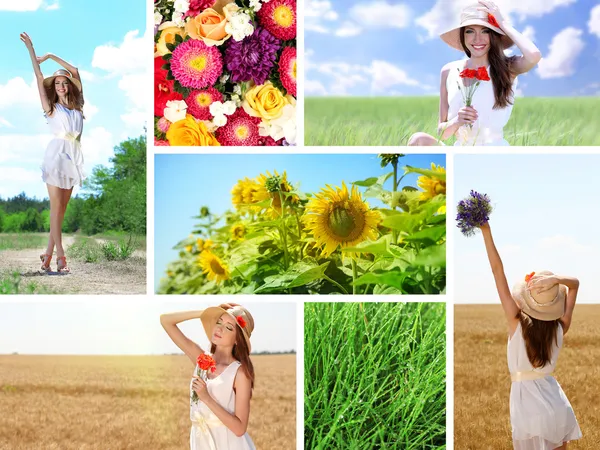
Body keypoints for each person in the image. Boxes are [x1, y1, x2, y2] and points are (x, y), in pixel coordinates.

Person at [479, 222, 582, 449]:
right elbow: (574, 284)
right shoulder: (560, 327)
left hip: (527, 410)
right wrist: (555, 281)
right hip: (556, 404)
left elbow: (498, 271)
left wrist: (485, 230)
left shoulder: (516, 322)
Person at [408, 1, 541, 146]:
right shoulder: (449, 71)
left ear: (494, 36)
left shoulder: (507, 68)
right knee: (418, 140)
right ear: (462, 36)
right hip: (460, 149)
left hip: (492, 150)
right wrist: (457, 121)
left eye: (486, 31)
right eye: (470, 31)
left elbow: (534, 55)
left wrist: (503, 24)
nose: (478, 39)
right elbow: (442, 133)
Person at [20, 32, 86, 273]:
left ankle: (47, 256)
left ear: (69, 86)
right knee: (55, 208)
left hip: (74, 155)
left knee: (62, 211)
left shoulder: (78, 106)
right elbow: (39, 77)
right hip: (56, 155)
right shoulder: (51, 108)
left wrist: (50, 56)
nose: (60, 86)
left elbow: (76, 70)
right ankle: (61, 257)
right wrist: (32, 49)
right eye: (57, 83)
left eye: (64, 83)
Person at [160, 304, 256, 450]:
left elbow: (240, 429)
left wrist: (206, 398)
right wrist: (203, 313)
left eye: (229, 327)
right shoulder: (201, 359)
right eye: (218, 322)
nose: (219, 329)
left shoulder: (240, 373)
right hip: (201, 442)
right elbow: (165, 320)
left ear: (237, 339)